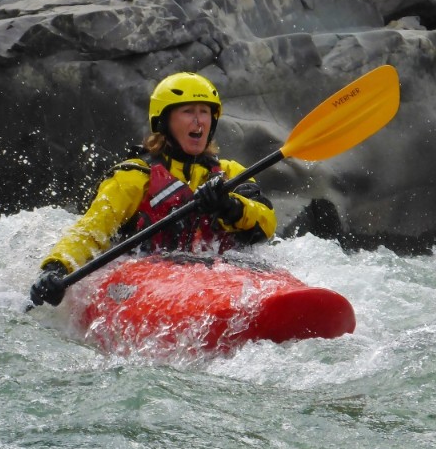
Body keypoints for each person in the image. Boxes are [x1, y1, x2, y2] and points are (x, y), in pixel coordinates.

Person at [30, 72, 277, 306]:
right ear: (164, 122)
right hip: (147, 283)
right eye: (188, 111)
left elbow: (267, 223)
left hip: (220, 280)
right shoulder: (134, 177)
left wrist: (229, 206)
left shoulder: (231, 174)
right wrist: (55, 268)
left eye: (205, 112)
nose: (198, 120)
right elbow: (91, 231)